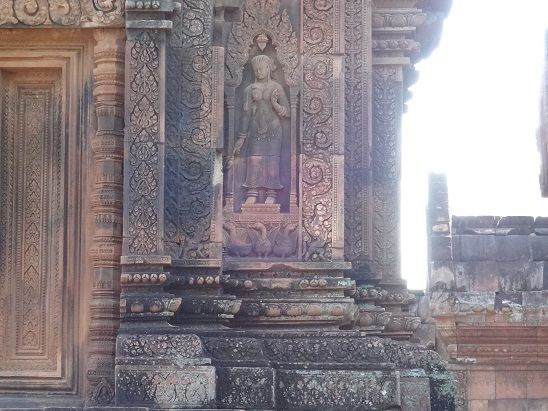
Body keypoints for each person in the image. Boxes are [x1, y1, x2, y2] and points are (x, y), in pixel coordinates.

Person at [233, 54, 290, 205]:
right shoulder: (249, 89)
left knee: (272, 159)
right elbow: (245, 115)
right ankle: (252, 191)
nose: (258, 72)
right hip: (255, 129)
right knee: (254, 159)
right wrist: (241, 137)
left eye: (261, 69)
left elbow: (287, 112)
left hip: (274, 129)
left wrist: (274, 103)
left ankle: (272, 193)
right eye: (256, 70)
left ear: (268, 68)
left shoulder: (276, 87)